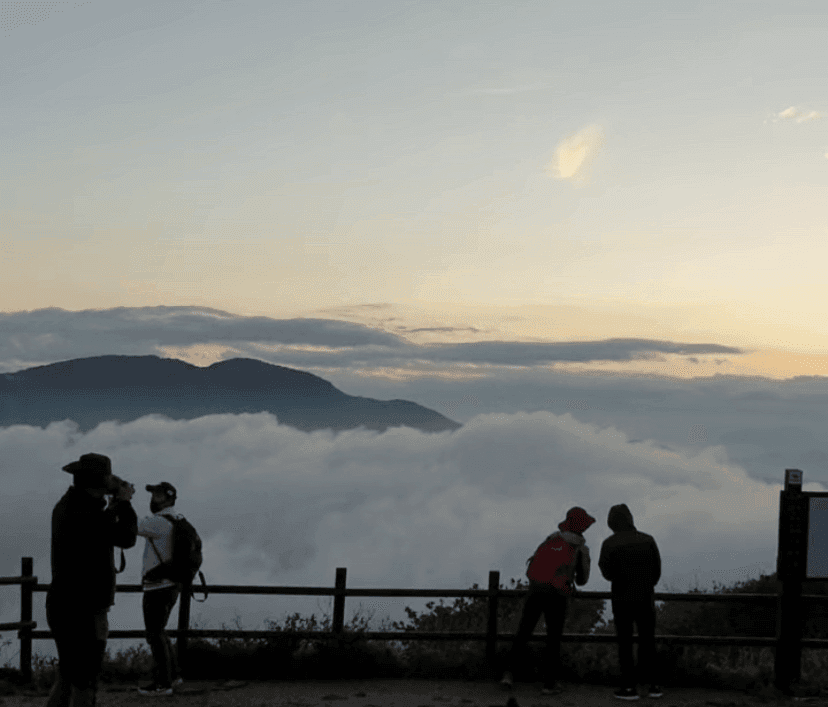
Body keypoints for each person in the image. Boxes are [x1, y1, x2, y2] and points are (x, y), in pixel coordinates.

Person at [46, 453, 137, 707]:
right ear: (99, 481)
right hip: (85, 608)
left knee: (67, 676)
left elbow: (104, 526)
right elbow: (126, 538)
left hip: (63, 604)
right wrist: (124, 503)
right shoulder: (88, 513)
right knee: (85, 680)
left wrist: (114, 503)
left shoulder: (70, 506)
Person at [500, 506, 595, 696]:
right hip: (557, 595)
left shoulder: (552, 538)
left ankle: (508, 674)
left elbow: (534, 564)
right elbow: (582, 579)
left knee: (524, 632)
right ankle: (549, 684)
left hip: (536, 590)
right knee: (553, 638)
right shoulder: (581, 548)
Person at [598, 504, 663, 701]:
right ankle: (653, 686)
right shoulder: (648, 539)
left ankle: (628, 687)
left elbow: (607, 572)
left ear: (611, 522)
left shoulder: (609, 543)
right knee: (647, 641)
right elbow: (656, 570)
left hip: (622, 599)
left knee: (625, 643)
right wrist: (645, 583)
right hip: (645, 596)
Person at [136, 482, 185, 697]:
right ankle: (174, 676)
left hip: (158, 586)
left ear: (168, 498)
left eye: (157, 495)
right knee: (160, 632)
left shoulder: (158, 522)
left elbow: (131, 526)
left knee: (154, 635)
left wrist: (121, 501)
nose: (152, 498)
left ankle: (163, 684)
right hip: (171, 584)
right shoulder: (178, 519)